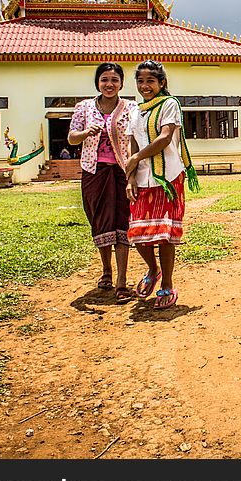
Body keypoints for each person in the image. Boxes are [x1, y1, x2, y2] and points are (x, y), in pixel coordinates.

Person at [124, 60, 199, 310]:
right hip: (142, 178)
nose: (145, 86)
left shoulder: (169, 104)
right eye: (141, 81)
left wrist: (136, 158)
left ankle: (167, 283)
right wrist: (131, 176)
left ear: (162, 83)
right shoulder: (135, 110)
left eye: (150, 81)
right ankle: (152, 269)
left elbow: (165, 138)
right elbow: (132, 142)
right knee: (138, 234)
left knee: (165, 235)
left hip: (167, 177)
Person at [68, 62, 135, 302]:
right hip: (94, 172)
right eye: (104, 79)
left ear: (121, 83)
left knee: (123, 222)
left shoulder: (131, 108)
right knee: (100, 221)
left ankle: (122, 281)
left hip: (122, 172)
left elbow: (137, 138)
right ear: (98, 82)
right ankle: (106, 270)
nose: (109, 84)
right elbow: (72, 137)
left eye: (114, 80)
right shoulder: (84, 107)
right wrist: (86, 133)